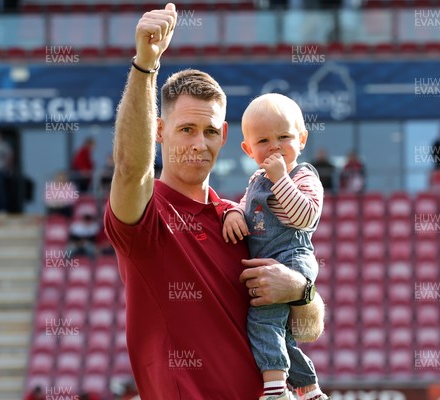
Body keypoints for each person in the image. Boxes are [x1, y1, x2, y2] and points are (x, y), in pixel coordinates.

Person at [103, 4, 325, 399]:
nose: (197, 143)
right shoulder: (146, 217)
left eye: (208, 130)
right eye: (185, 128)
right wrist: (145, 67)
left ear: (224, 136)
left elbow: (309, 328)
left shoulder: (241, 217)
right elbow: (130, 167)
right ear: (159, 131)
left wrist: (301, 290)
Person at [223, 93, 327, 400]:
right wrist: (230, 212)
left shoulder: (303, 175)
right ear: (248, 149)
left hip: (292, 258)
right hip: (269, 261)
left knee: (263, 320)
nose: (275, 146)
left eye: (284, 137)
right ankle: (309, 389)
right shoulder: (256, 179)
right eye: (264, 141)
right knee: (279, 332)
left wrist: (282, 178)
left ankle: (275, 390)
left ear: (302, 139)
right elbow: (246, 210)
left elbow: (305, 216)